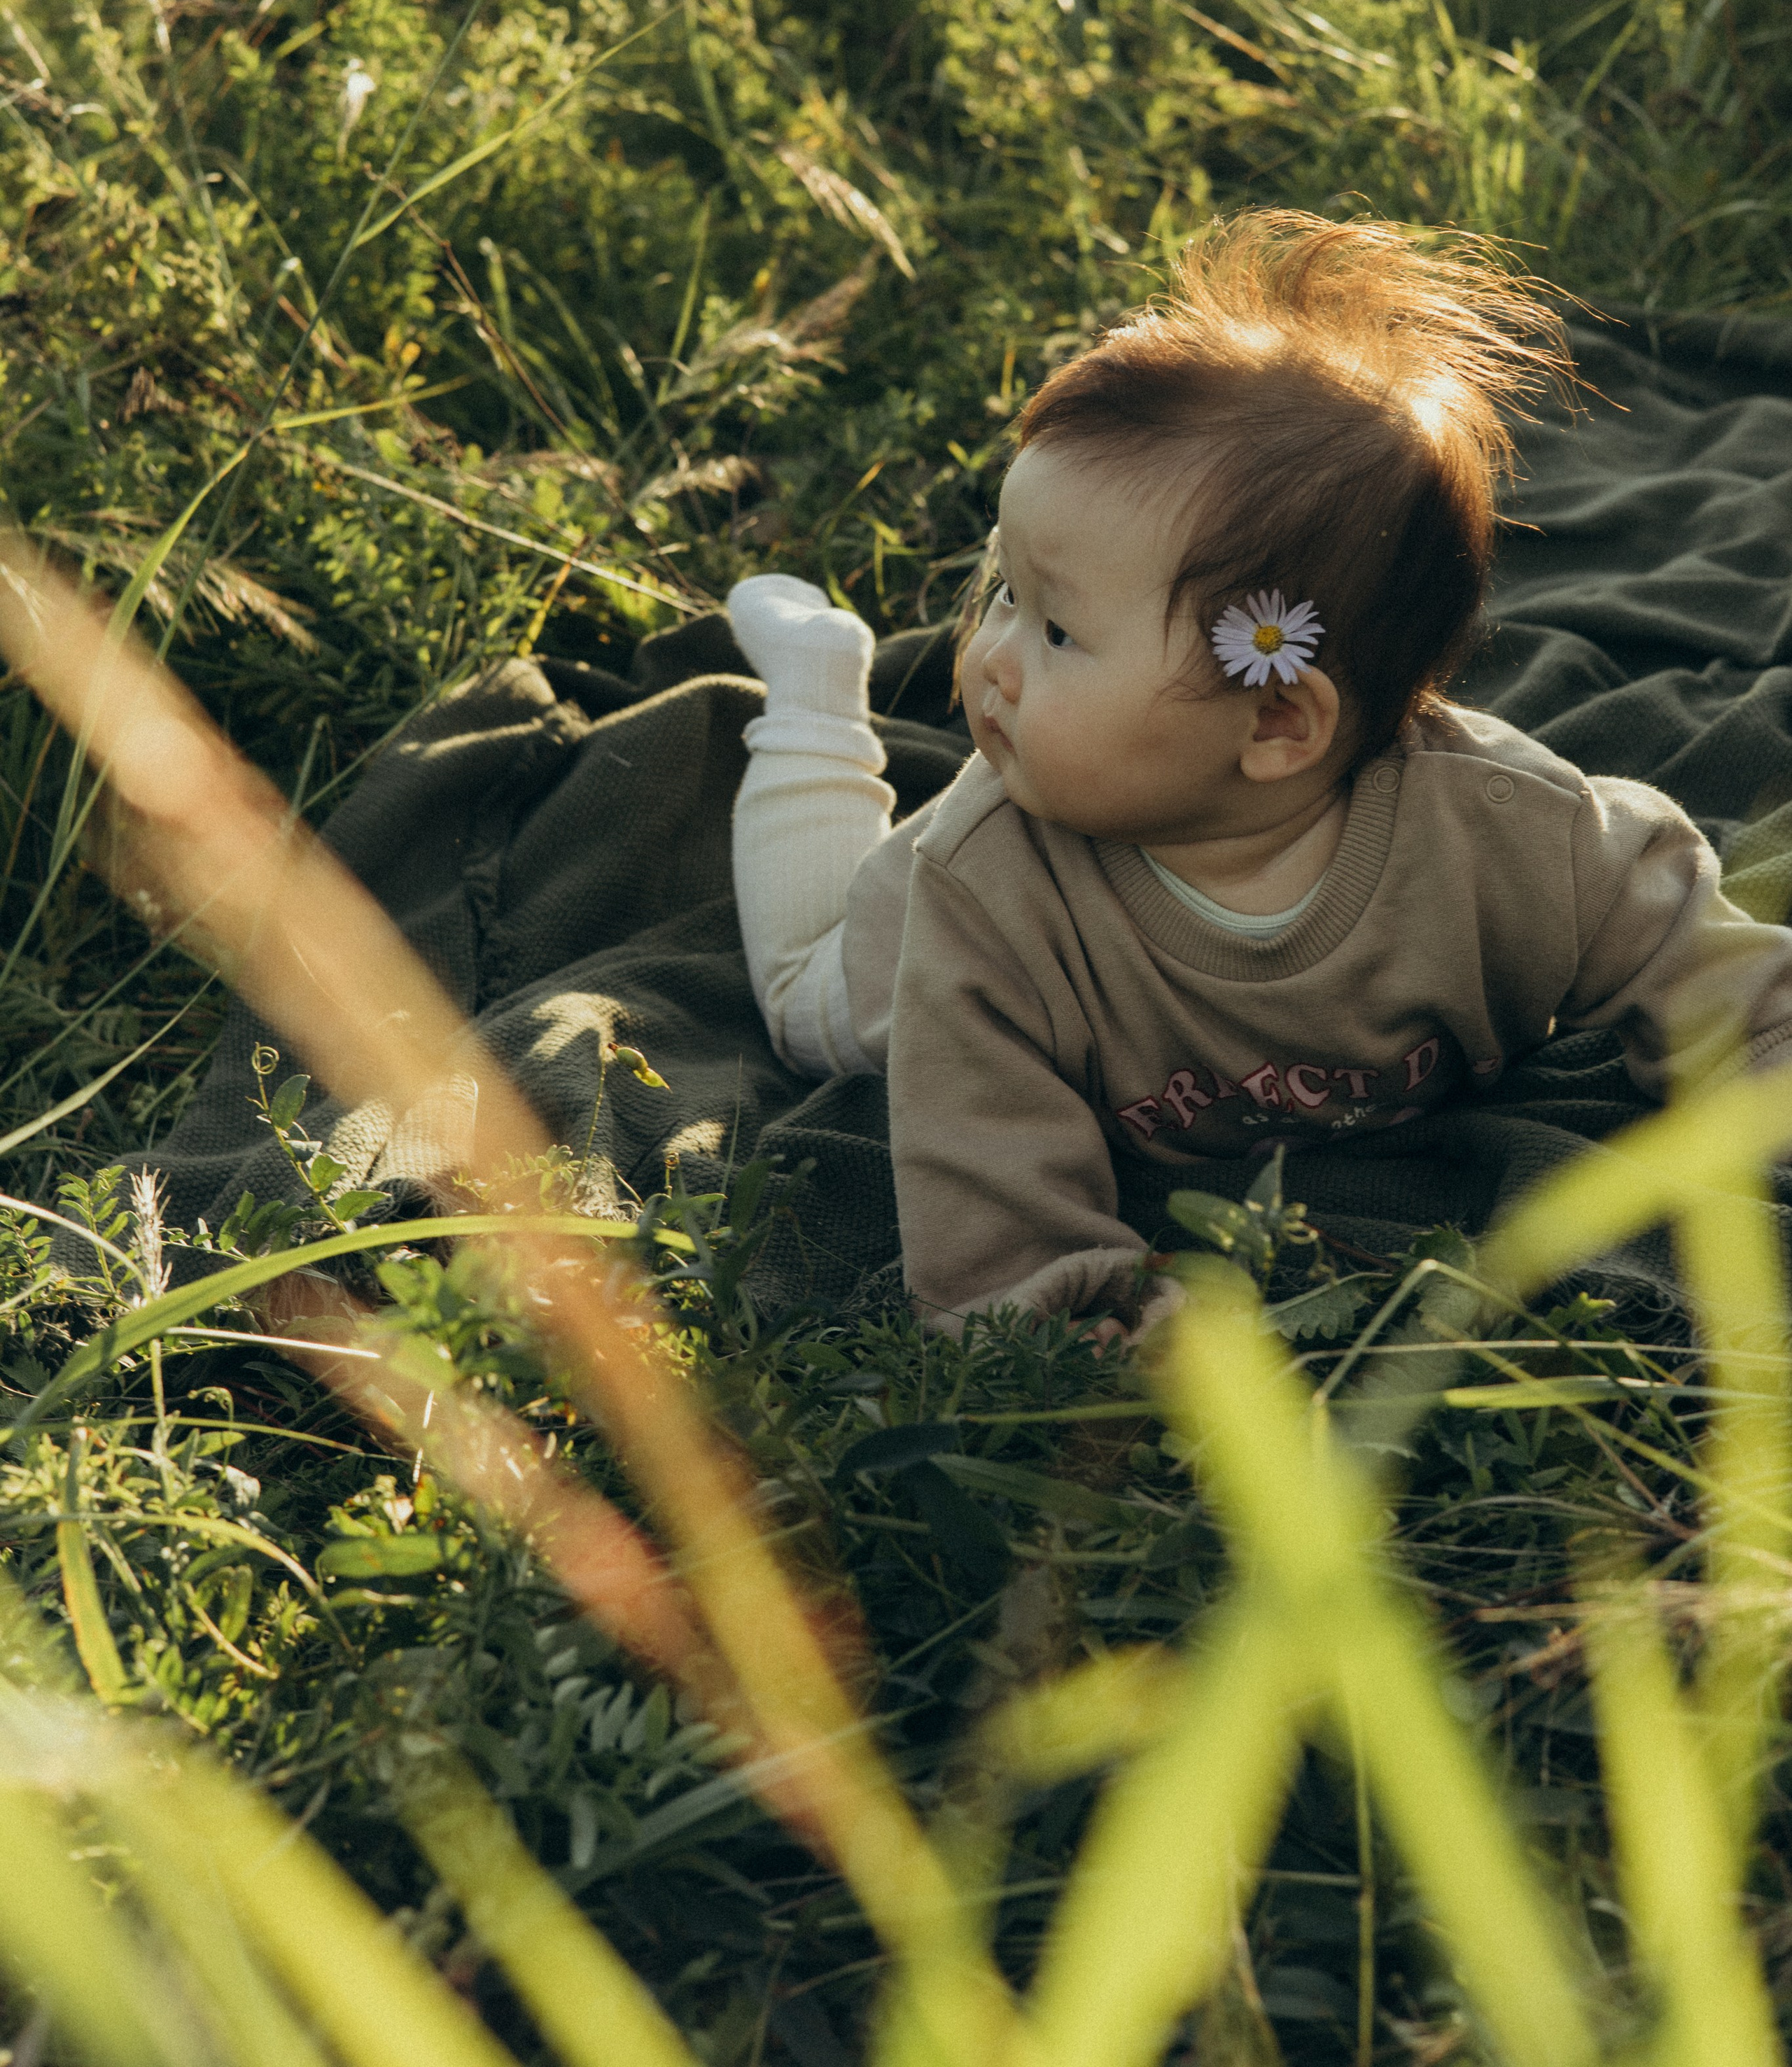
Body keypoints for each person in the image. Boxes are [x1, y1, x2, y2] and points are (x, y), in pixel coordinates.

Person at [726, 211, 1792, 1337]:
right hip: (911, 966)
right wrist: (1070, 1304)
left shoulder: (1508, 836)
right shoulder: (977, 899)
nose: (989, 658)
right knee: (804, 1002)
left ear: (1280, 718)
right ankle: (811, 704)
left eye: (1057, 633)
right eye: (1005, 596)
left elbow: (1689, 949)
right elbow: (990, 1195)